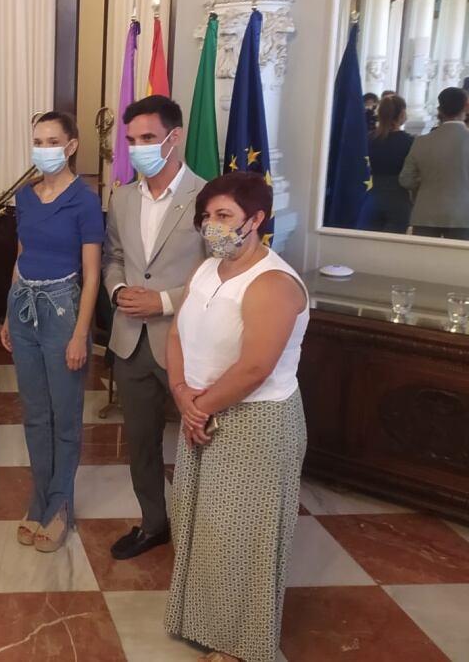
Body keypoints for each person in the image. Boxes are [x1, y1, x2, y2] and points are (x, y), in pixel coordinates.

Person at [164, 171, 308, 662]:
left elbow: (255, 366)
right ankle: (201, 622)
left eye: (224, 216)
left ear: (257, 219)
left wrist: (196, 407)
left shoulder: (273, 282)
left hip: (257, 424)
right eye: (207, 217)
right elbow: (178, 335)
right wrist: (183, 395)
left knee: (242, 536)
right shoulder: (206, 270)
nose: (212, 226)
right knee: (199, 524)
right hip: (200, 412)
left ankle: (244, 646)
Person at [102, 95, 206, 560]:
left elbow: (221, 276)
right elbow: (115, 258)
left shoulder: (208, 198)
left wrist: (163, 301)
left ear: (174, 137)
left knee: (199, 444)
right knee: (140, 442)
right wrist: (118, 289)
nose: (138, 147)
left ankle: (203, 536)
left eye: (147, 138)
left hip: (187, 344)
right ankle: (153, 523)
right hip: (130, 342)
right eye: (131, 140)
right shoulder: (123, 196)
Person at [0, 112, 104, 551]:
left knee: (64, 413)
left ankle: (61, 503)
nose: (43, 147)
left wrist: (81, 334)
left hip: (64, 309)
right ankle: (39, 497)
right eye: (37, 139)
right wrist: (7, 314)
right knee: (35, 412)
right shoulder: (25, 197)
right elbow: (22, 254)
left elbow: (93, 273)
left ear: (71, 145)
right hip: (22, 306)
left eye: (52, 140)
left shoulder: (84, 200)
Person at [400, 87, 469, 241]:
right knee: (458, 261)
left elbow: (405, 180)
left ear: (439, 109)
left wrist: (427, 183)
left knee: (423, 263)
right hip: (463, 214)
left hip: (426, 212)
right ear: (465, 109)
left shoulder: (421, 142)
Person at [357, 94, 413, 234]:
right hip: (398, 198)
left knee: (367, 245)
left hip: (372, 195)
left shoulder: (368, 139)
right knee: (392, 248)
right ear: (401, 114)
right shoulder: (410, 141)